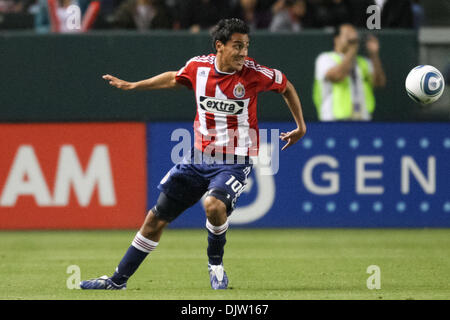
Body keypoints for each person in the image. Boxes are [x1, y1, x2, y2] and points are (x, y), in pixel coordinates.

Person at [79, 18, 306, 290]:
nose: (244, 53)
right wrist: (133, 85)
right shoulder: (199, 67)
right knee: (155, 219)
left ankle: (215, 263)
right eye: (237, 46)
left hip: (234, 161)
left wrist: (300, 126)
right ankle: (117, 281)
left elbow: (286, 86)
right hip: (197, 158)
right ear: (219, 46)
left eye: (246, 46)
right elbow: (174, 78)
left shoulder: (255, 74)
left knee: (213, 205)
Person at [313, 23, 386, 121]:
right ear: (336, 39)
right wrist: (352, 50)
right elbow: (336, 76)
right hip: (333, 120)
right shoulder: (325, 59)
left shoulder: (362, 62)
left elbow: (379, 83)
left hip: (362, 119)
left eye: (354, 35)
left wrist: (374, 55)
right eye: (347, 35)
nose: (352, 39)